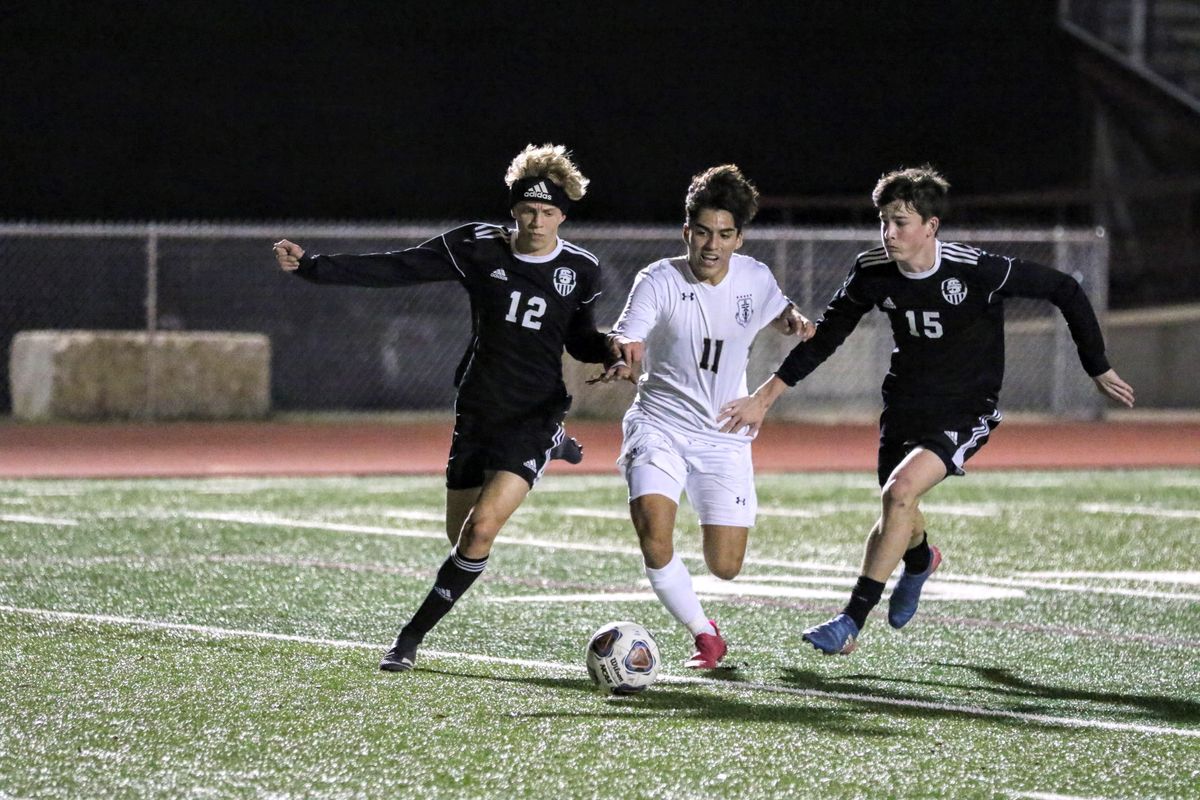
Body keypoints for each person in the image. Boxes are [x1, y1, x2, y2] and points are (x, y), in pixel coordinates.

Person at [718, 165, 1135, 656]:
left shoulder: (973, 269)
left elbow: (1064, 288)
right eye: (884, 221)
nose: (889, 233)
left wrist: (1097, 365)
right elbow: (826, 338)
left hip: (965, 408)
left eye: (901, 222)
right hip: (905, 405)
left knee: (899, 493)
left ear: (931, 227)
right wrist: (764, 398)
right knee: (900, 508)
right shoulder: (872, 270)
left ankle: (850, 621)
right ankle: (920, 561)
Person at [272, 143, 616, 672]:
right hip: (478, 408)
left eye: (548, 212)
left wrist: (611, 349)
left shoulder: (580, 269)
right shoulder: (476, 246)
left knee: (480, 532)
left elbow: (580, 340)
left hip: (535, 413)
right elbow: (398, 267)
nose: (536, 220)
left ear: (562, 216)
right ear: (513, 209)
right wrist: (314, 268)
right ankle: (560, 447)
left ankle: (408, 640)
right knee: (457, 536)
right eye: (528, 209)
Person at [600, 165, 814, 669]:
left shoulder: (755, 277)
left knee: (726, 566)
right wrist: (620, 354)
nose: (711, 245)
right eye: (701, 232)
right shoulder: (657, 279)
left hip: (724, 433)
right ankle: (704, 635)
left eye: (723, 234)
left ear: (738, 237)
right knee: (654, 529)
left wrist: (792, 320)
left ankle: (709, 613)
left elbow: (780, 310)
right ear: (686, 232)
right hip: (659, 425)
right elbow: (629, 334)